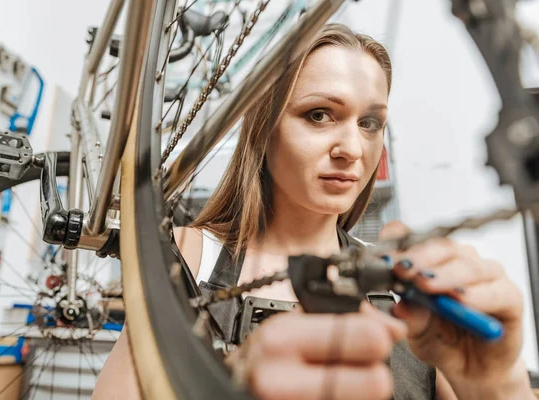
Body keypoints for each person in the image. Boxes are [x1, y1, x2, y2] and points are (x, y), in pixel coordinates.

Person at [93, 24, 534, 399]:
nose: (352, 149)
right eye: (319, 114)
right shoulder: (190, 257)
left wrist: (498, 386)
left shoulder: (408, 291)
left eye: (370, 123)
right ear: (264, 130)